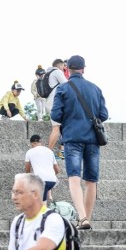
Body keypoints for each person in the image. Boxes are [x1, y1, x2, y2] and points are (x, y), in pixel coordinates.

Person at [50, 55, 108, 230]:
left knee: (74, 178)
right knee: (91, 181)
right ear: (83, 69)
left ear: (67, 70)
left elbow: (55, 115)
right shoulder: (96, 89)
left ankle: (82, 218)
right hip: (92, 140)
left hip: (73, 139)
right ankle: (87, 217)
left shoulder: (63, 89)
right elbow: (103, 115)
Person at [44, 59, 68, 159]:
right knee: (56, 128)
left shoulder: (48, 73)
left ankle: (62, 151)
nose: (64, 68)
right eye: (64, 66)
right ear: (60, 65)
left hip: (50, 103)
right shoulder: (57, 72)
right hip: (54, 104)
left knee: (61, 126)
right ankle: (48, 153)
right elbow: (68, 85)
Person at [25, 135, 59, 202]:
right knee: (43, 197)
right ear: (40, 142)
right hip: (52, 181)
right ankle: (49, 197)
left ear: (32, 143)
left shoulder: (29, 152)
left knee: (41, 202)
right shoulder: (49, 151)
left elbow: (27, 169)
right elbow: (57, 169)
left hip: (40, 181)